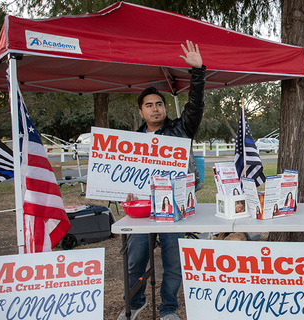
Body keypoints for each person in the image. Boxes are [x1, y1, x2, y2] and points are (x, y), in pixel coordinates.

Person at [119, 40, 205, 320]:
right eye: (149, 106)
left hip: (174, 209)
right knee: (135, 261)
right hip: (143, 208)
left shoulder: (181, 129)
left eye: (159, 104)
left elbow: (195, 105)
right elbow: (123, 175)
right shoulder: (132, 141)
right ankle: (135, 303)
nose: (155, 109)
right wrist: (126, 193)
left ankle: (168, 309)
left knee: (173, 263)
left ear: (164, 108)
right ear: (141, 112)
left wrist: (197, 72)